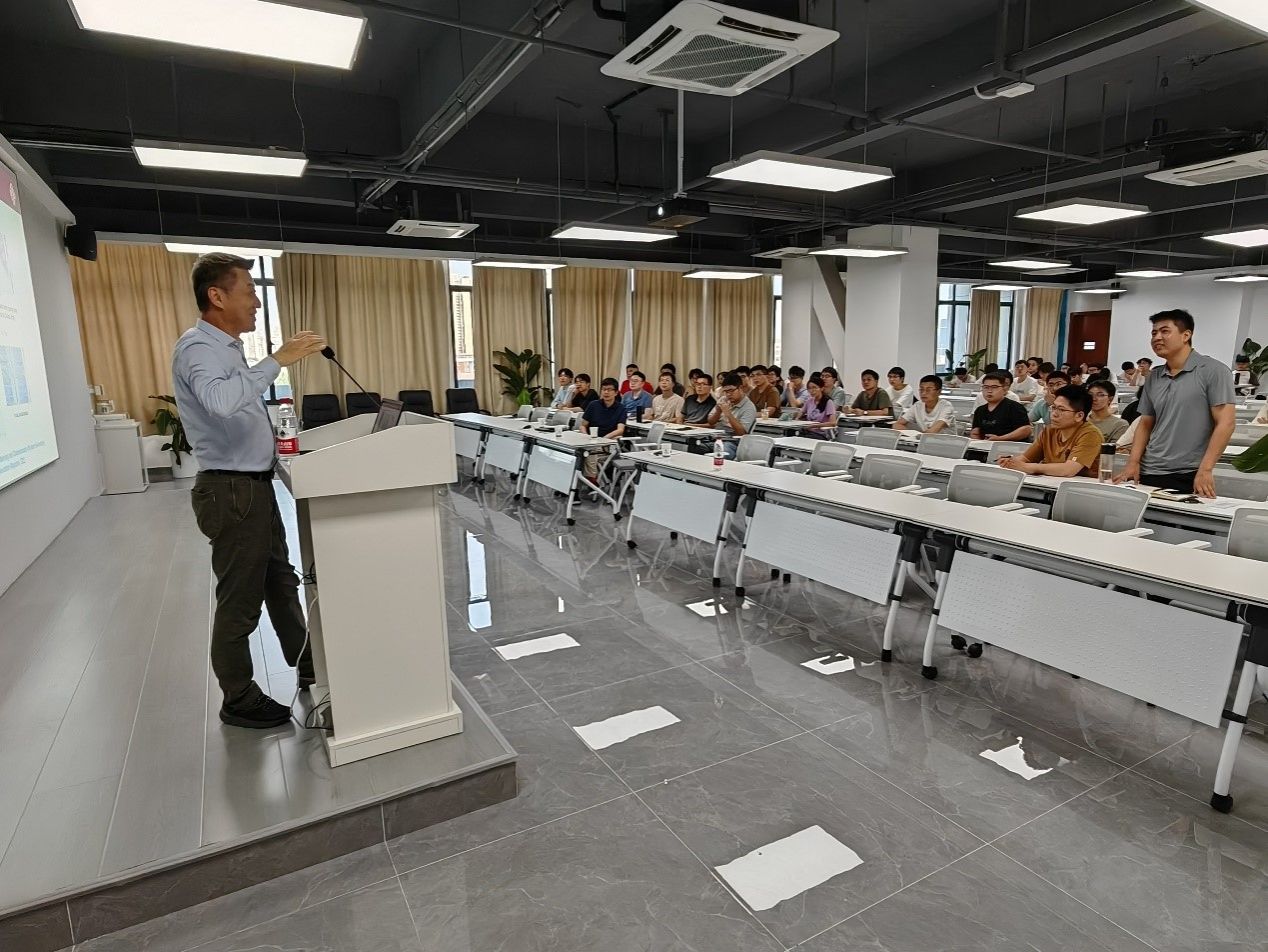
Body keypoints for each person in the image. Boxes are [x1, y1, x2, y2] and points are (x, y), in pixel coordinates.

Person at [172, 253, 327, 729]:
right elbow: (220, 403)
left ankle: (308, 664)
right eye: (249, 292)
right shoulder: (197, 347)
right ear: (216, 296)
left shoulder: (228, 348)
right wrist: (278, 360)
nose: (257, 303)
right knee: (241, 599)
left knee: (281, 583)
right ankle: (238, 697)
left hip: (253, 488)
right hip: (231, 491)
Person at [1115, 309, 1236, 497]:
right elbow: (1145, 423)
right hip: (1149, 469)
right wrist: (1133, 462)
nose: (1157, 338)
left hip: (1187, 471)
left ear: (1186, 335)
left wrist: (1205, 469)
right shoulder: (1155, 376)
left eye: (1165, 331)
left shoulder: (1213, 371)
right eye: (1154, 333)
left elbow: (1226, 423)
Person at [999, 385, 1102, 478]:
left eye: (1061, 410)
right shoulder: (1049, 431)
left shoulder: (1090, 434)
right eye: (1054, 407)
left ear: (1079, 416)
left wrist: (1029, 467)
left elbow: (1068, 470)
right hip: (1050, 486)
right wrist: (1010, 462)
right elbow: (1026, 459)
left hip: (1080, 489)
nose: (1054, 414)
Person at [579, 377, 625, 483]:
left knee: (589, 453)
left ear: (616, 392)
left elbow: (620, 430)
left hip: (609, 443)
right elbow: (583, 425)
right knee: (577, 453)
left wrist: (604, 439)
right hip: (591, 440)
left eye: (609, 389)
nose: (606, 392)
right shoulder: (593, 405)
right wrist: (586, 436)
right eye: (604, 389)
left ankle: (591, 481)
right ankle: (577, 482)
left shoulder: (621, 408)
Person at [971, 371, 1032, 441]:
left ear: (1004, 389)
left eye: (994, 387)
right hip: (985, 446)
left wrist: (1000, 439)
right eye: (986, 387)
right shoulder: (980, 410)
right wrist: (975, 436)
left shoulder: (1014, 407)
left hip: (1008, 446)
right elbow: (976, 432)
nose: (989, 391)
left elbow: (1026, 430)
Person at [707, 371, 756, 456]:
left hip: (732, 442)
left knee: (721, 453)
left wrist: (728, 414)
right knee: (695, 447)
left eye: (731, 391)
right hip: (715, 438)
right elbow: (710, 422)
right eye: (726, 391)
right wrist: (718, 411)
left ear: (740, 388)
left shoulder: (749, 407)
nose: (728, 394)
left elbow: (742, 433)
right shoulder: (723, 399)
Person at [797, 372, 837, 438]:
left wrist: (814, 426)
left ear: (822, 388)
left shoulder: (828, 402)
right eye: (809, 388)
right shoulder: (809, 401)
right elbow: (799, 415)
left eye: (814, 388)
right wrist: (798, 420)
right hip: (808, 432)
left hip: (820, 434)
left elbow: (833, 423)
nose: (811, 390)